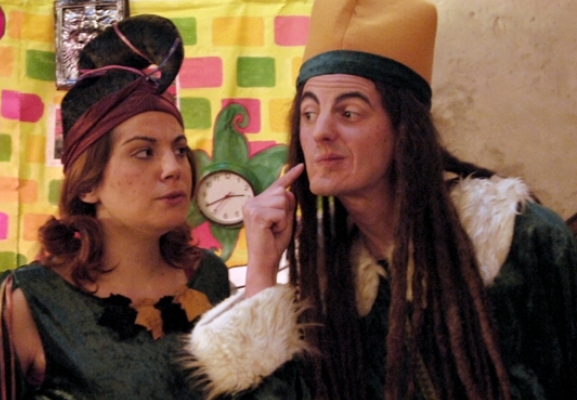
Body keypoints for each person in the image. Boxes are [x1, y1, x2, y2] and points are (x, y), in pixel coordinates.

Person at [185, 0, 577, 399]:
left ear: (405, 129)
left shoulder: (521, 241)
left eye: (349, 113)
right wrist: (262, 272)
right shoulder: (329, 281)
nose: (320, 132)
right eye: (308, 113)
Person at [0, 14, 233, 399]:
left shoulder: (210, 279)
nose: (173, 168)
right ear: (88, 184)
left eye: (180, 149)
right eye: (144, 152)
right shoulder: (32, 301)